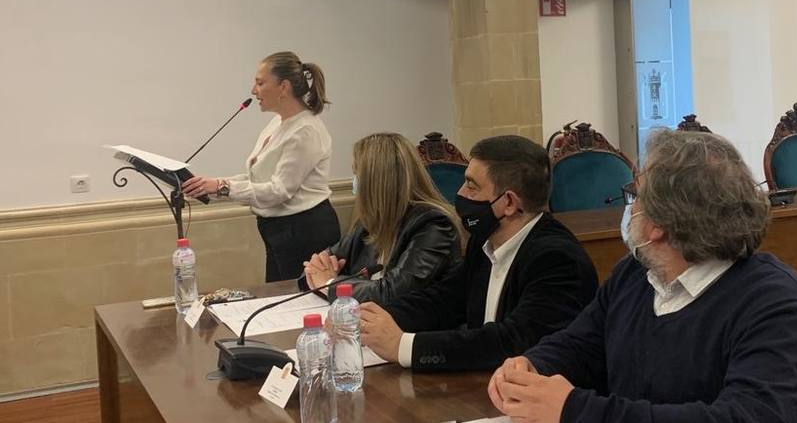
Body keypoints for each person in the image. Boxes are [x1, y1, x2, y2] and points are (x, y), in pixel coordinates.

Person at [488, 129, 797, 422]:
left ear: (658, 225)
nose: (630, 206)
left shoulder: (779, 308)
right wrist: (532, 366)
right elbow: (582, 344)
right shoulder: (637, 274)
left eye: (635, 195)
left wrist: (574, 410)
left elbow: (739, 417)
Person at [356, 135, 599, 372]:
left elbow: (511, 342)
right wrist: (369, 319)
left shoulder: (557, 259)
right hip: (483, 386)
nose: (460, 194)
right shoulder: (484, 241)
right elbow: (444, 301)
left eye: (472, 186)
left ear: (509, 203)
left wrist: (403, 346)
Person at [183, 51, 340, 282]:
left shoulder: (306, 130)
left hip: (304, 229)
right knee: (275, 296)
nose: (253, 91)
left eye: (260, 83)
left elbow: (279, 191)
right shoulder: (278, 123)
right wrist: (211, 187)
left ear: (283, 87)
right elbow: (257, 177)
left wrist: (222, 186)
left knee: (295, 303)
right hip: (278, 229)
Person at [300, 132, 463, 304]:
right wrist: (319, 274)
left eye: (356, 173)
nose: (354, 181)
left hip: (414, 328)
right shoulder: (369, 224)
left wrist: (330, 283)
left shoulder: (433, 225)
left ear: (374, 182)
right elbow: (312, 271)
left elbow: (392, 294)